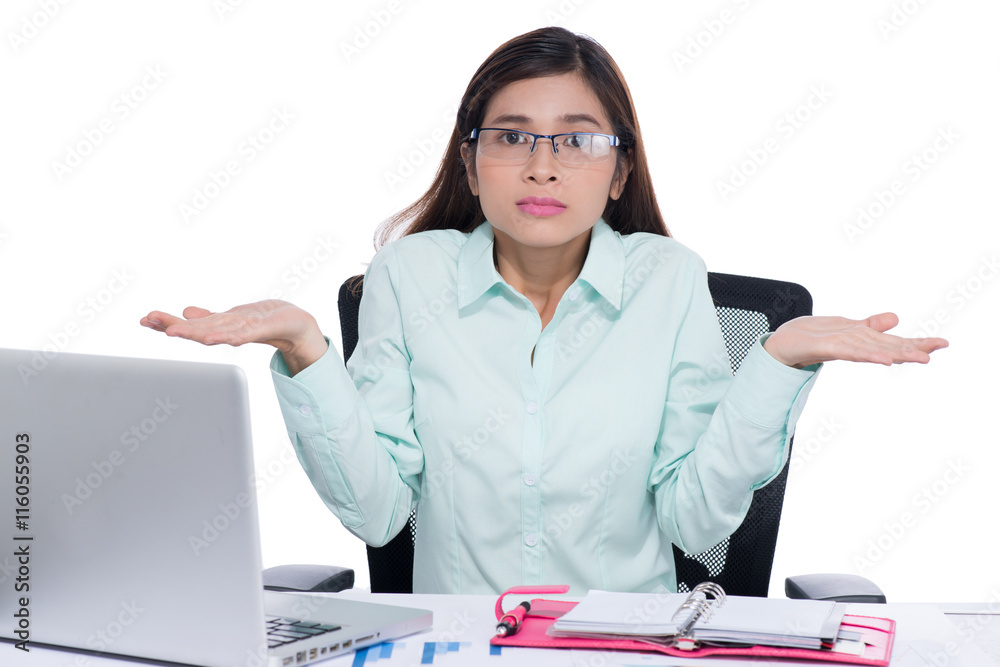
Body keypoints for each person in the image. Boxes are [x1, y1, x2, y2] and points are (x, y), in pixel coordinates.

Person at [141, 27, 947, 595]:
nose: (543, 165)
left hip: (624, 646)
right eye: (513, 136)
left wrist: (777, 364)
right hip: (458, 646)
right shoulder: (409, 276)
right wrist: (306, 351)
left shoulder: (668, 281)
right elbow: (380, 509)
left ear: (620, 171)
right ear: (471, 159)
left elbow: (695, 517)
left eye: (578, 139)